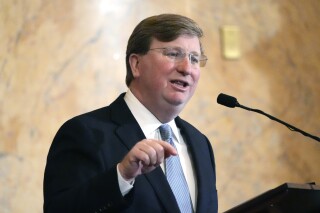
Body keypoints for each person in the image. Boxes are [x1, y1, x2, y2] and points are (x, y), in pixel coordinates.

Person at [43, 13, 218, 213]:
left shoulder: (200, 143)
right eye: (173, 54)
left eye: (194, 59)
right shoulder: (85, 133)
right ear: (136, 64)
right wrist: (121, 177)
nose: (187, 68)